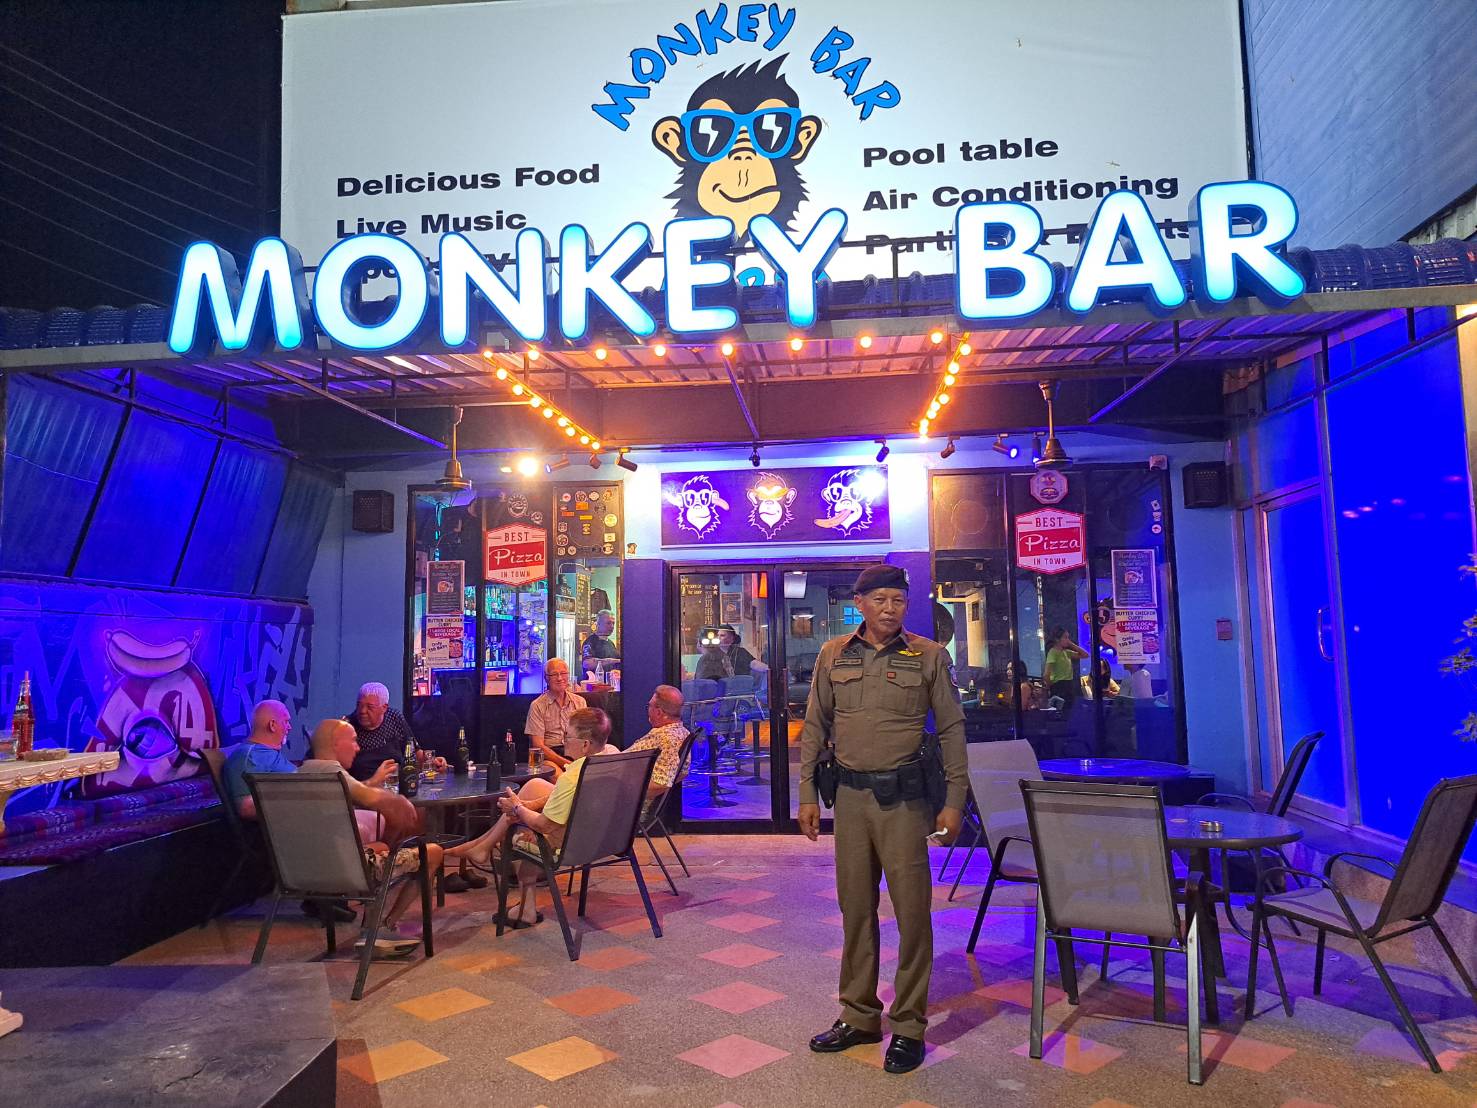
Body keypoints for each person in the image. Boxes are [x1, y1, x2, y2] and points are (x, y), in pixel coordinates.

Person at [798, 564, 967, 1075]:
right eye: (880, 599)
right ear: (861, 603)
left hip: (905, 804)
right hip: (850, 800)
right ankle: (859, 1015)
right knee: (855, 909)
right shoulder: (834, 654)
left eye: (898, 600)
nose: (890, 608)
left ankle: (909, 1024)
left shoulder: (929, 655)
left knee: (912, 914)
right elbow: (815, 724)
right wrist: (806, 793)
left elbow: (952, 730)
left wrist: (954, 801)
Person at [444, 711, 613, 926]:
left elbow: (544, 825)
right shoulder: (610, 760)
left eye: (567, 736)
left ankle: (526, 908)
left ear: (585, 744)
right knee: (533, 786)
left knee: (519, 830)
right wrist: (526, 805)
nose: (563, 741)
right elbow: (565, 799)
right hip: (597, 837)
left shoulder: (571, 778)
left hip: (570, 845)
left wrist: (517, 808)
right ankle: (483, 846)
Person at [302, 718, 445, 955]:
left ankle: (373, 924)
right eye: (354, 741)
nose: (358, 748)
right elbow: (374, 798)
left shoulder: (302, 772)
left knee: (382, 846)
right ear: (336, 743)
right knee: (433, 852)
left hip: (306, 872)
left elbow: (358, 794)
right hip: (349, 871)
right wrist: (400, 801)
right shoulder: (333, 772)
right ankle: (382, 927)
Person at [345, 681, 446, 781]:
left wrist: (432, 761)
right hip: (364, 787)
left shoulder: (394, 718)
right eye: (359, 705)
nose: (362, 711)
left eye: (370, 707)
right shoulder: (347, 727)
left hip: (395, 784)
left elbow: (415, 754)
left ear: (384, 708)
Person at [221, 700, 297, 821]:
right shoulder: (247, 757)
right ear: (272, 725)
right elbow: (246, 808)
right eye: (286, 721)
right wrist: (298, 801)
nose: (289, 727)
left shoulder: (264, 753)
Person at [524, 658, 587, 771]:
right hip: (550, 757)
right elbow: (538, 745)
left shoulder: (580, 702)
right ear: (546, 679)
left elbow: (586, 736)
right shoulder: (537, 705)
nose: (559, 678)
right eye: (554, 674)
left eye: (563, 673)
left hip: (575, 753)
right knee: (553, 772)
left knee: (608, 749)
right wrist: (567, 763)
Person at [626, 685, 688, 798]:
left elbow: (662, 783)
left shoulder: (667, 739)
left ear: (659, 712)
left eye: (649, 705)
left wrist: (625, 790)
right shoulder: (683, 732)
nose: (647, 709)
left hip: (623, 789)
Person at [1044, 627, 1088, 702]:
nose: (1068, 640)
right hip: (1059, 685)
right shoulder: (1053, 652)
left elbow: (1085, 655)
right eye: (1065, 637)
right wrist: (1049, 687)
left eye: (1068, 637)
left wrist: (1072, 645)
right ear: (1057, 639)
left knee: (1069, 707)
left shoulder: (1066, 652)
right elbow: (1046, 674)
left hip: (1069, 685)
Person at [580, 609, 620, 677]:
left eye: (613, 623)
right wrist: (610, 661)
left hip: (609, 682)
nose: (612, 626)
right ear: (598, 624)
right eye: (608, 623)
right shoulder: (590, 642)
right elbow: (587, 663)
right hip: (594, 683)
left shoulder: (611, 644)